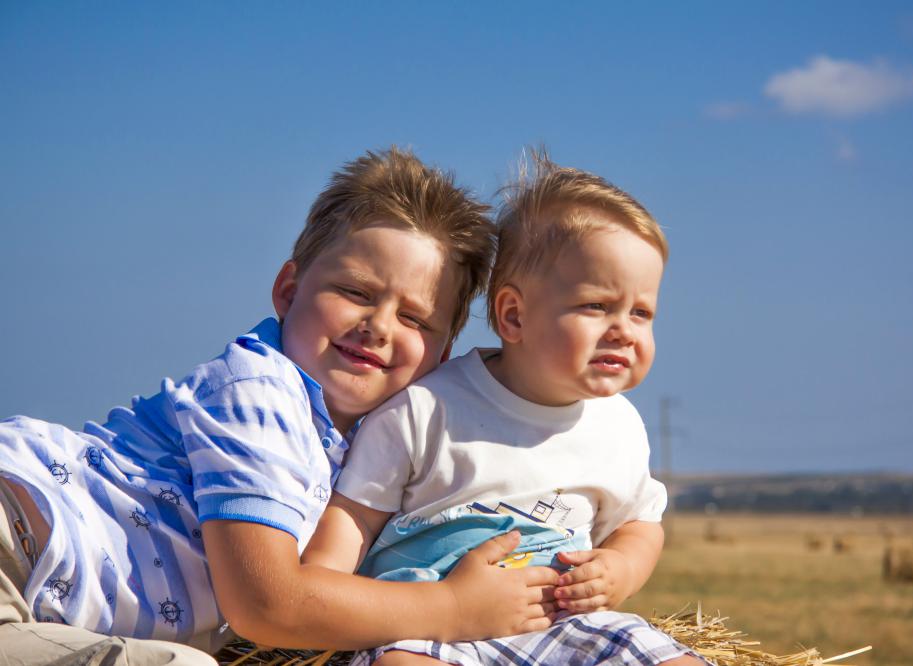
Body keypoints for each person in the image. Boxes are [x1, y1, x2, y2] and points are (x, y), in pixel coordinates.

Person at [0, 148, 563, 664]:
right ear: (289, 291)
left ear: (440, 355)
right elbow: (268, 605)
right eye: (357, 292)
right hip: (17, 546)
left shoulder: (361, 449)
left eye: (414, 319)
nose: (379, 327)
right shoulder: (259, 392)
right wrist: (453, 609)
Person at [303, 151, 708, 665]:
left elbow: (640, 523)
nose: (624, 330)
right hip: (431, 629)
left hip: (562, 625)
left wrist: (621, 569)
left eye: (642, 312)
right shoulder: (426, 409)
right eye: (597, 306)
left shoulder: (619, 427)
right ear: (513, 315)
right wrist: (323, 592)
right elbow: (354, 520)